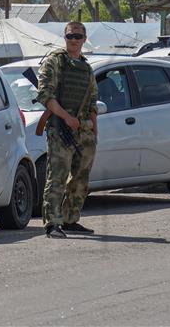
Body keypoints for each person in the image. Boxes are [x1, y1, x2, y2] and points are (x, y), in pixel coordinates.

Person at [36, 22, 98, 239]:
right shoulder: (55, 62)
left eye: (78, 36)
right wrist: (66, 118)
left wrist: (93, 133)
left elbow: (92, 102)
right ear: (65, 38)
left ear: (84, 39)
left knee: (81, 178)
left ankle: (71, 218)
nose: (74, 40)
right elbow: (45, 95)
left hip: (83, 131)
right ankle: (52, 222)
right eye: (70, 36)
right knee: (58, 177)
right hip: (60, 128)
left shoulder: (86, 67)